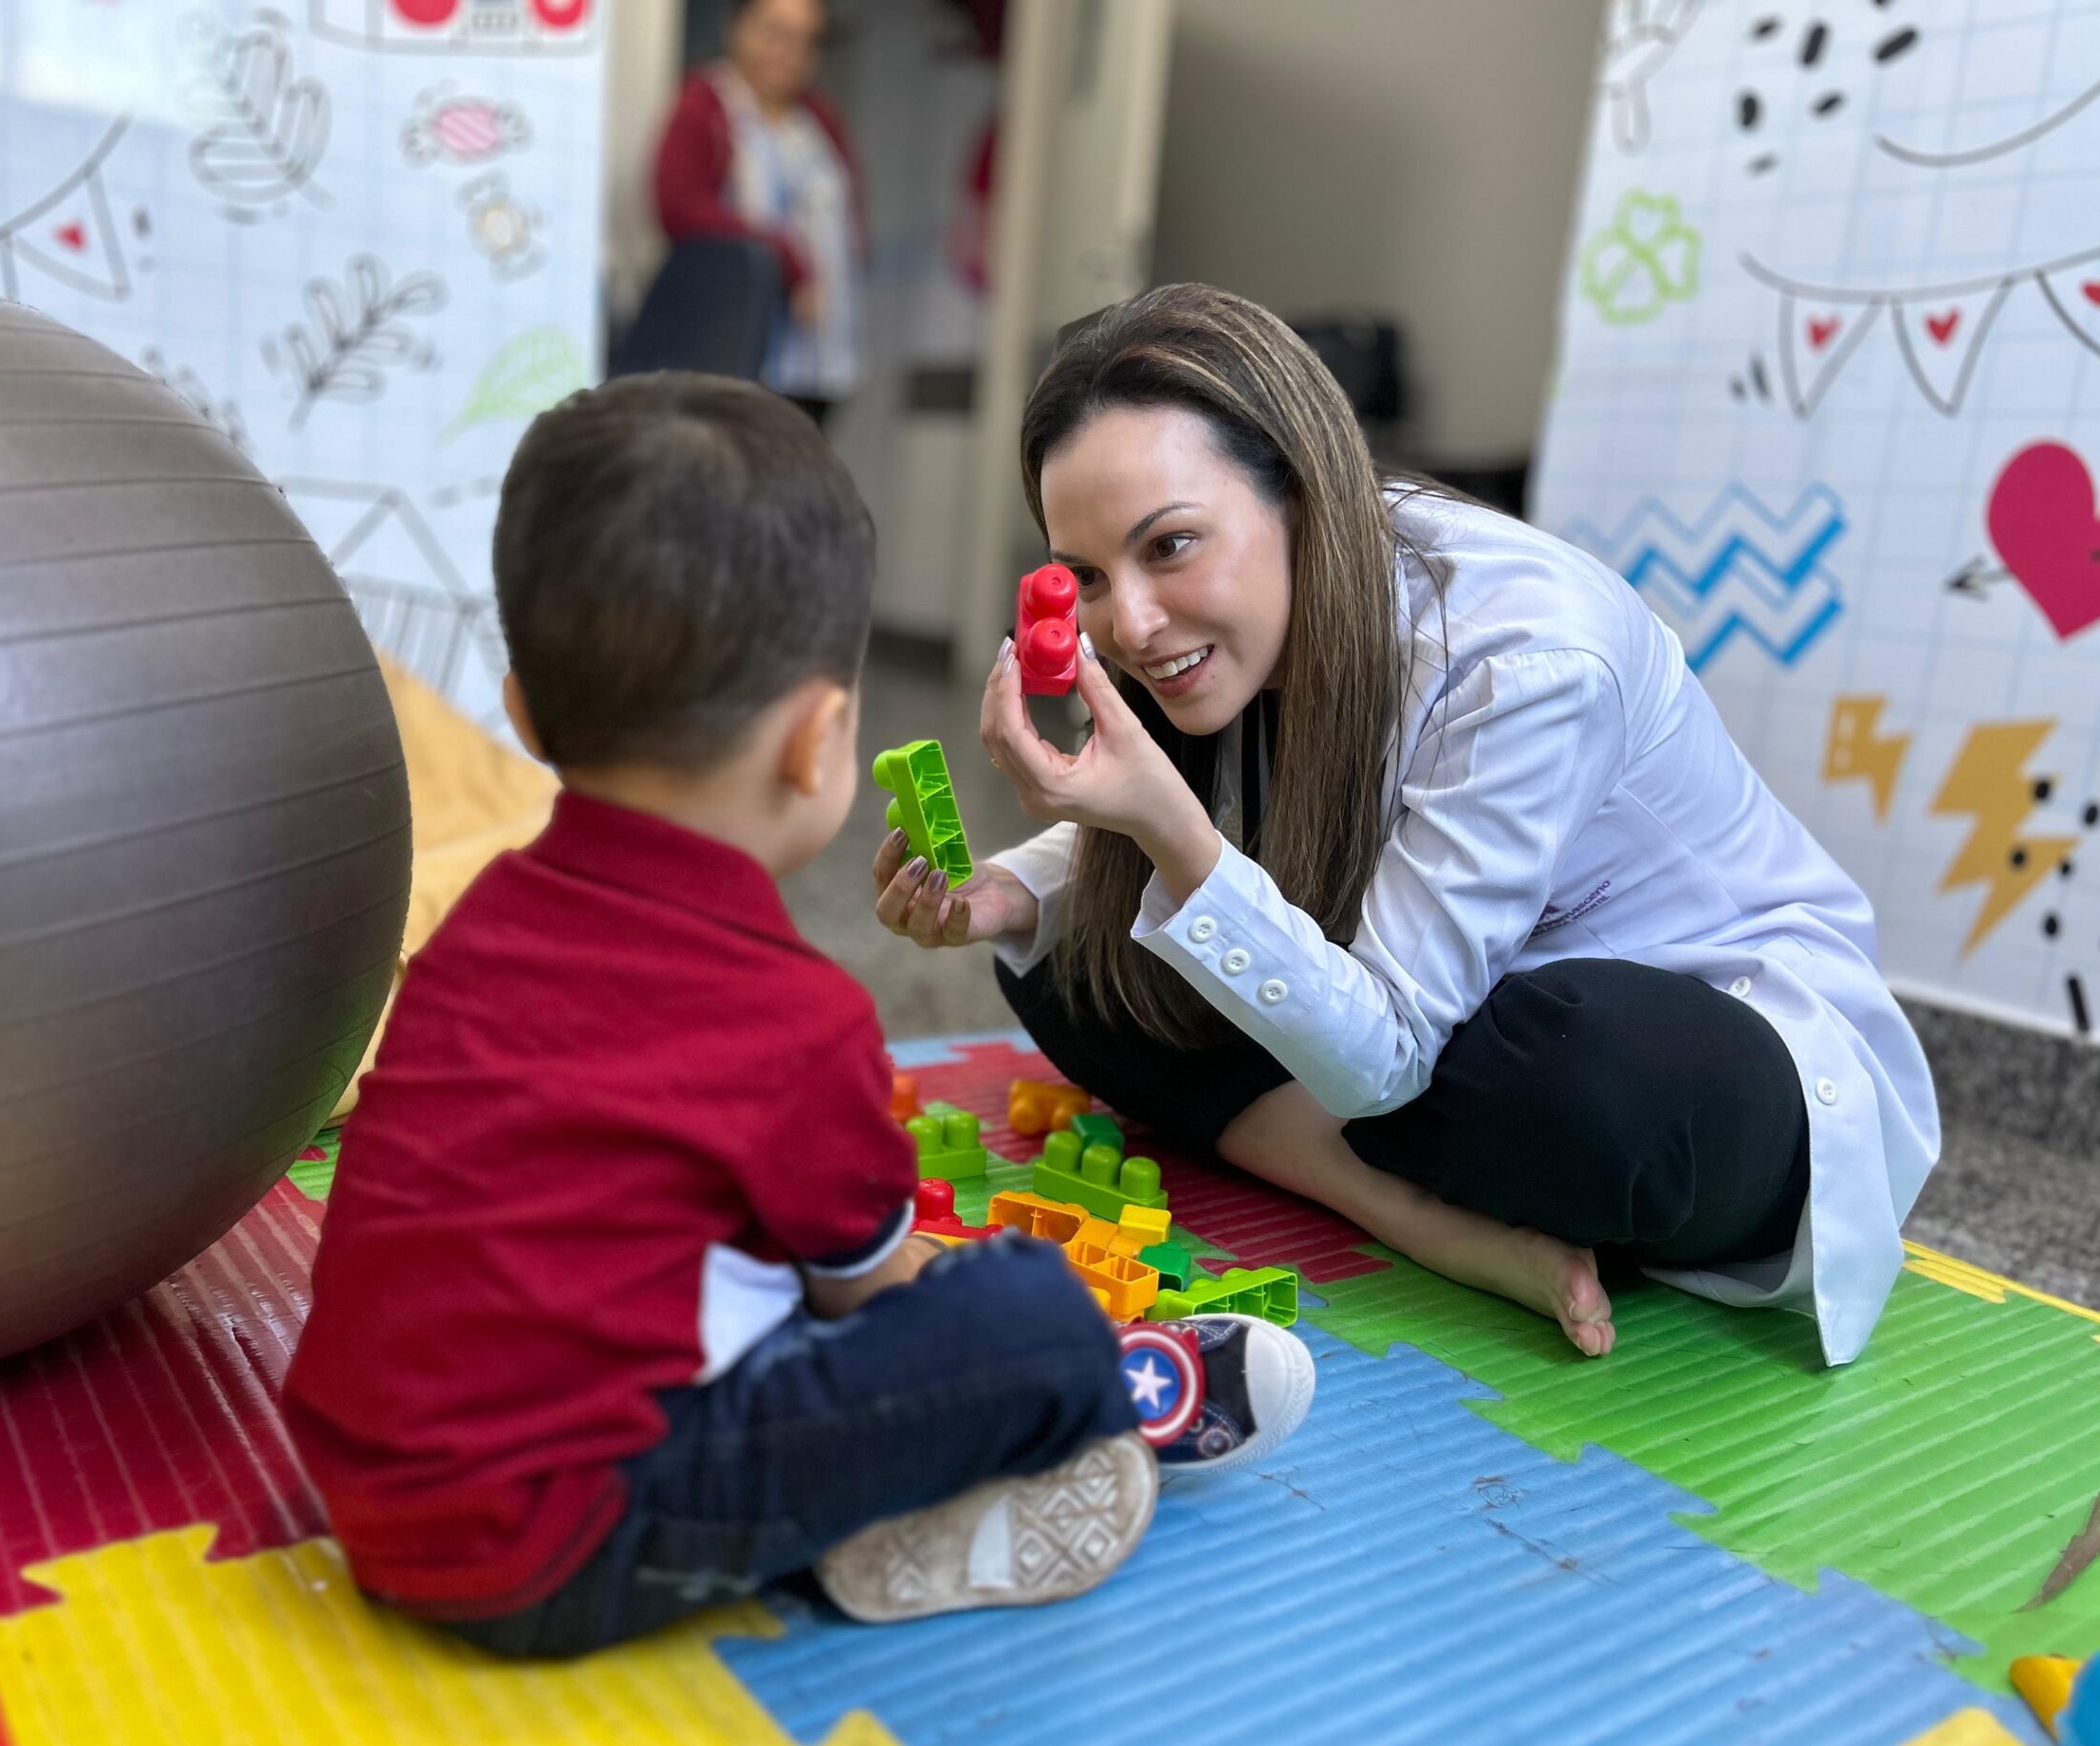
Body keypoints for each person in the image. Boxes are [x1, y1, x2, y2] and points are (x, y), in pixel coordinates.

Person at [280, 375, 1317, 1662]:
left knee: (734, 1258)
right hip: (553, 1546)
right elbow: (870, 1298)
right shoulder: (791, 1016)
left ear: (528, 716)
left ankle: (885, 1494)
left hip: (361, 1485)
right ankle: (1114, 1391)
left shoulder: (473, 927)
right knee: (1021, 1310)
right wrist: (999, 1312)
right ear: (821, 741)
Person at [873, 285, 1941, 1369]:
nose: (1133, 624)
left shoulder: (1524, 656)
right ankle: (1404, 1206)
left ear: (1297, 491)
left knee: (1570, 1072)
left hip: (1688, 1042)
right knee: (1069, 951)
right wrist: (1012, 891)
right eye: (1090, 577)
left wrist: (1166, 833)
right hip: (1414, 1026)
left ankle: (1388, 1166)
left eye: (1172, 546)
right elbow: (1224, 843)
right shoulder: (1247, 617)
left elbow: (1379, 1055)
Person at [654, 0, 864, 424]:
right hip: (735, 353)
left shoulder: (817, 116)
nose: (791, 52)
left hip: (817, 358)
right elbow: (680, 208)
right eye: (776, 33)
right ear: (735, 28)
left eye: (808, 41)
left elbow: (846, 215)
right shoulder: (706, 104)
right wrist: (788, 257)